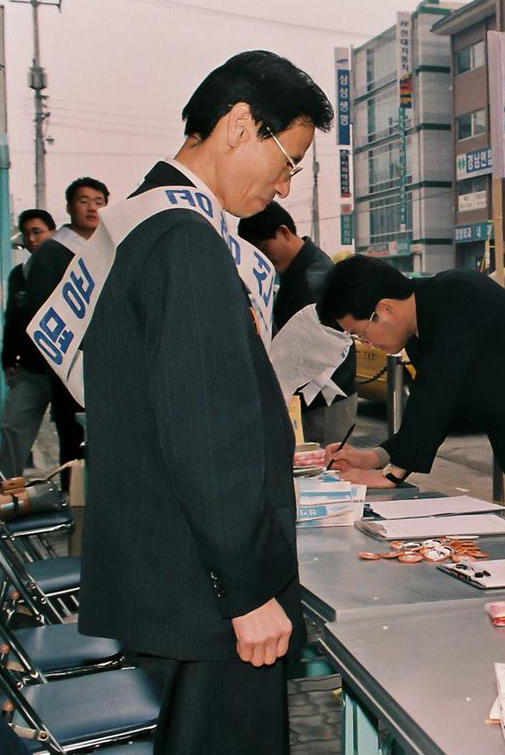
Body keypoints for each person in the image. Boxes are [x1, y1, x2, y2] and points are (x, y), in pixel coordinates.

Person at [72, 50, 332, 753]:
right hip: (213, 594)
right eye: (289, 159)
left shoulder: (140, 222)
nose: (285, 184)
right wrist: (247, 590)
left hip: (177, 573)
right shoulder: (188, 241)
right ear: (239, 126)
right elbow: (206, 432)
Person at [318, 254, 505, 530]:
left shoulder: (456, 293)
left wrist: (392, 474)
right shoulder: (421, 329)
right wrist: (375, 457)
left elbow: (438, 387)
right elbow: (444, 408)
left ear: (383, 309)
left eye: (361, 334)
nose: (366, 344)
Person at [237, 201, 356, 443]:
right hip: (316, 397)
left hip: (323, 399)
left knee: (324, 469)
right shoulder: (298, 270)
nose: (262, 257)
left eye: (263, 247)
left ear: (284, 232)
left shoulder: (313, 277)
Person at [23, 178, 109, 481]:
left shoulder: (110, 247)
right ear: (70, 207)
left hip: (107, 362)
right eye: (84, 200)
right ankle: (75, 508)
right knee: (73, 443)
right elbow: (40, 308)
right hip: (70, 363)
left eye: (98, 201)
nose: (92, 207)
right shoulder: (53, 252)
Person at [0, 209, 55, 477]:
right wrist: (8, 360)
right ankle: (9, 491)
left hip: (66, 372)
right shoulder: (19, 275)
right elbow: (13, 321)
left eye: (38, 231)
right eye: (27, 233)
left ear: (52, 233)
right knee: (12, 424)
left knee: (73, 434)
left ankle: (75, 493)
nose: (32, 239)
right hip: (32, 369)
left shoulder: (69, 268)